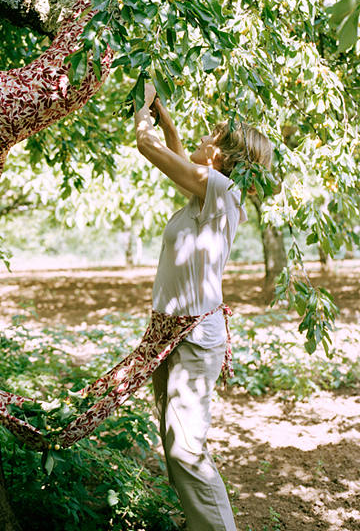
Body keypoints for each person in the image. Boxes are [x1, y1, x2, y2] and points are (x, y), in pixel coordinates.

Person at [134, 84, 273, 531]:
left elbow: (148, 147)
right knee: (176, 444)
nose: (201, 140)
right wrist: (168, 121)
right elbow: (177, 162)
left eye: (210, 136)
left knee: (186, 450)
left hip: (194, 338)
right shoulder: (204, 196)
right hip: (170, 332)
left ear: (222, 157)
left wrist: (143, 112)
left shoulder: (223, 191)